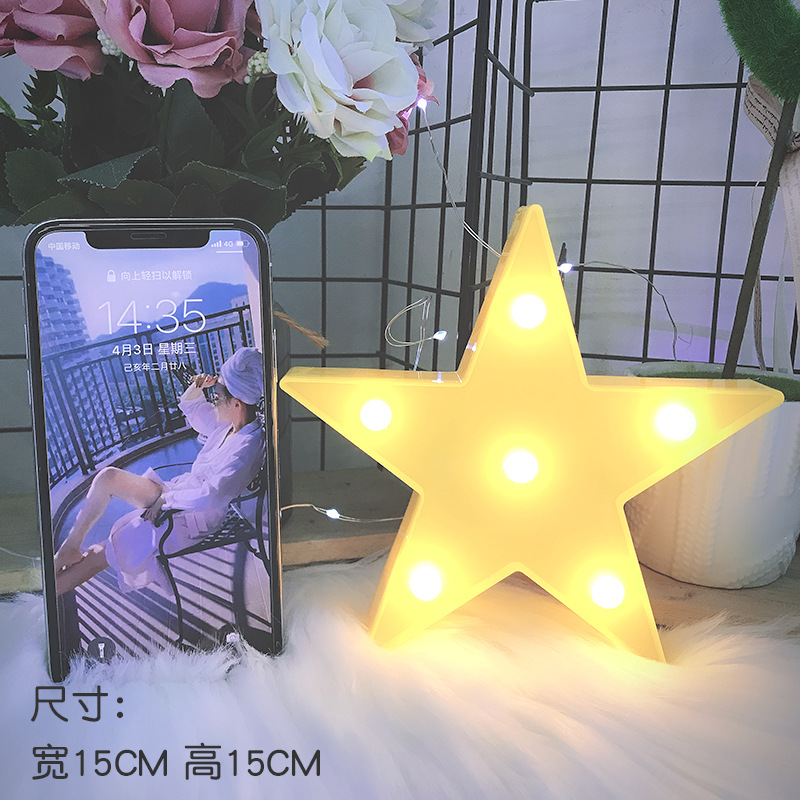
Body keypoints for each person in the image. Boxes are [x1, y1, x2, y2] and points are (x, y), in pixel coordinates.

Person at [53, 347, 266, 597]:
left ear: (237, 404)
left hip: (191, 518)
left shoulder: (246, 447)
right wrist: (197, 387)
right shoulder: (229, 427)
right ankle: (70, 547)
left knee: (99, 555)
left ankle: (45, 596)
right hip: (176, 496)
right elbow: (195, 411)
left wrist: (166, 500)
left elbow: (211, 496)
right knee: (107, 477)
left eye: (216, 397)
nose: (212, 401)